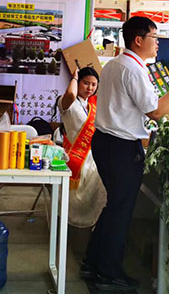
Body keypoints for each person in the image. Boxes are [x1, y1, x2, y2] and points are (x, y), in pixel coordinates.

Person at [82, 16, 169, 292]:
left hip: (107, 142)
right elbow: (155, 111)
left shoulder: (116, 64)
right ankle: (108, 272)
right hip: (120, 147)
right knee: (120, 210)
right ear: (138, 40)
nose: (158, 43)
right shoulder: (133, 69)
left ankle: (93, 262)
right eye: (154, 37)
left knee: (115, 206)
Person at [57, 67, 106, 228]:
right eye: (85, 83)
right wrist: (74, 77)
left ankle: (95, 224)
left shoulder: (92, 105)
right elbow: (71, 94)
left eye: (93, 84)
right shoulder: (66, 102)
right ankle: (70, 224)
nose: (90, 88)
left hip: (93, 155)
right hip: (75, 157)